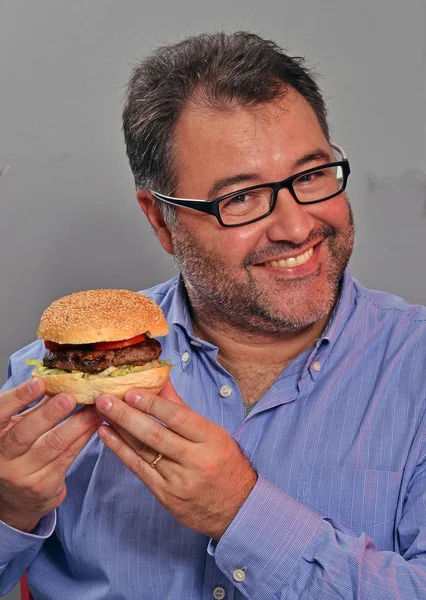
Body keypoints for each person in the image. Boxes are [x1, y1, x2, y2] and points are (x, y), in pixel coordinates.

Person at [0, 31, 425, 600]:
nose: (297, 227)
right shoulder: (43, 389)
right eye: (240, 198)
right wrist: (10, 510)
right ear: (160, 220)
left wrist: (243, 516)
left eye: (311, 175)